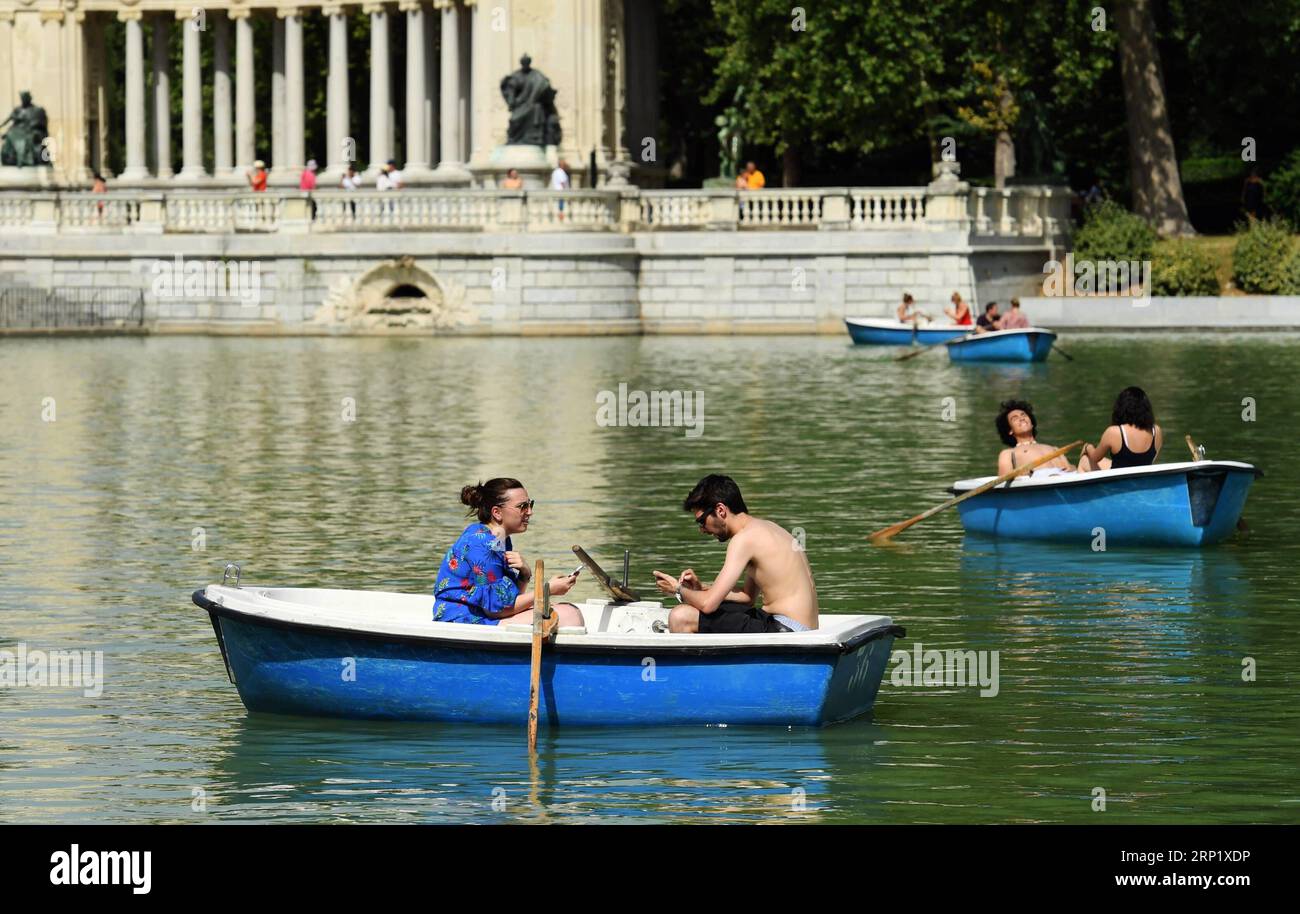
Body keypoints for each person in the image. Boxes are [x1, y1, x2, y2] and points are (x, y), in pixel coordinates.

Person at [652, 475, 818, 634]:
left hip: (787, 630)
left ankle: (697, 664)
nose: (702, 530)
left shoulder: (744, 540)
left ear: (721, 510)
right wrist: (702, 588)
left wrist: (677, 589)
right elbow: (747, 597)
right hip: (802, 628)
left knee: (681, 616)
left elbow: (708, 604)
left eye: (702, 521)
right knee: (700, 607)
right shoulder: (768, 528)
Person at [433, 478, 584, 628]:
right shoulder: (483, 544)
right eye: (522, 506)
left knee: (566, 611)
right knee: (567, 615)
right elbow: (496, 610)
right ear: (497, 512)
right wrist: (547, 591)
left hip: (482, 614)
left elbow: (507, 599)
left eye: (530, 504)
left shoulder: (499, 538)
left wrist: (524, 575)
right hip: (462, 620)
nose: (530, 512)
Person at [1079, 386, 1163, 472]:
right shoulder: (1156, 430)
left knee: (1084, 460)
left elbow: (1094, 458)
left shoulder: (1114, 432)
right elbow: (1148, 461)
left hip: (1117, 482)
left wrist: (1087, 447)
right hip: (1141, 480)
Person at [995, 400, 1075, 476]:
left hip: (1065, 479)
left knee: (1087, 448)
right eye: (1015, 418)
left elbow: (1073, 470)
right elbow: (1003, 481)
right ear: (1010, 430)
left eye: (1023, 415)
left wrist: (1072, 468)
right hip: (1037, 482)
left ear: (1032, 423)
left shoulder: (1054, 449)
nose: (1021, 418)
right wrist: (1021, 476)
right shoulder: (1009, 453)